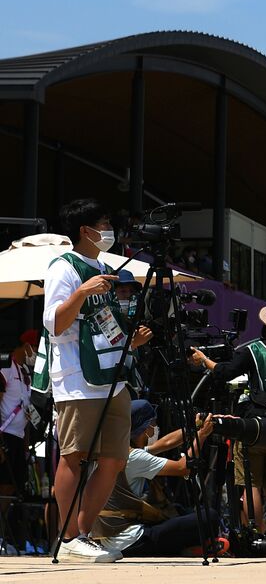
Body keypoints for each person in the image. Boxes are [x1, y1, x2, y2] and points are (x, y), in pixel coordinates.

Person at [32, 198, 153, 562]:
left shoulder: (101, 265)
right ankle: (70, 537)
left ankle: (83, 534)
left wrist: (131, 343)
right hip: (78, 379)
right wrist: (83, 291)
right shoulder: (63, 267)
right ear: (85, 230)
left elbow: (104, 325)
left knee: (115, 458)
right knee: (74, 456)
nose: (109, 230)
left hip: (112, 378)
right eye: (103, 223)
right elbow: (54, 323)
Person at [188, 301, 266, 538]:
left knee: (252, 485)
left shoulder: (255, 350)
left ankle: (257, 536)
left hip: (254, 426)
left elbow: (224, 372)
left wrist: (204, 360)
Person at [90, 400, 220, 557]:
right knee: (209, 516)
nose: (155, 429)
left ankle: (181, 546)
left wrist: (194, 426)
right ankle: (183, 549)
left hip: (111, 536)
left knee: (178, 510)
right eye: (153, 424)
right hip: (132, 541)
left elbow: (164, 443)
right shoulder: (136, 457)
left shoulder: (118, 451)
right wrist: (202, 435)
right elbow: (183, 467)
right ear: (145, 428)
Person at [1, 330, 39, 551]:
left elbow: (26, 409)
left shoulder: (25, 371)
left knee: (13, 488)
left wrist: (26, 447)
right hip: (4, 435)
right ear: (26, 346)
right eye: (33, 348)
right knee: (3, 485)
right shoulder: (6, 367)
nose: (34, 354)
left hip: (18, 438)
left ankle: (6, 537)